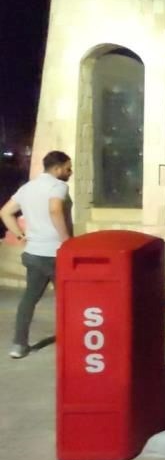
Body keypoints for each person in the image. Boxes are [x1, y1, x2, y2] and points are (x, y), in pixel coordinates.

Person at [1, 151, 73, 359]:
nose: (70, 172)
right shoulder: (58, 186)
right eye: (68, 168)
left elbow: (5, 212)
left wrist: (20, 234)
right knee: (68, 299)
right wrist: (66, 241)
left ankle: (19, 344)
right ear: (57, 168)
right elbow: (55, 210)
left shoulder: (28, 188)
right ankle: (72, 341)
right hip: (56, 253)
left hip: (33, 253)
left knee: (29, 299)